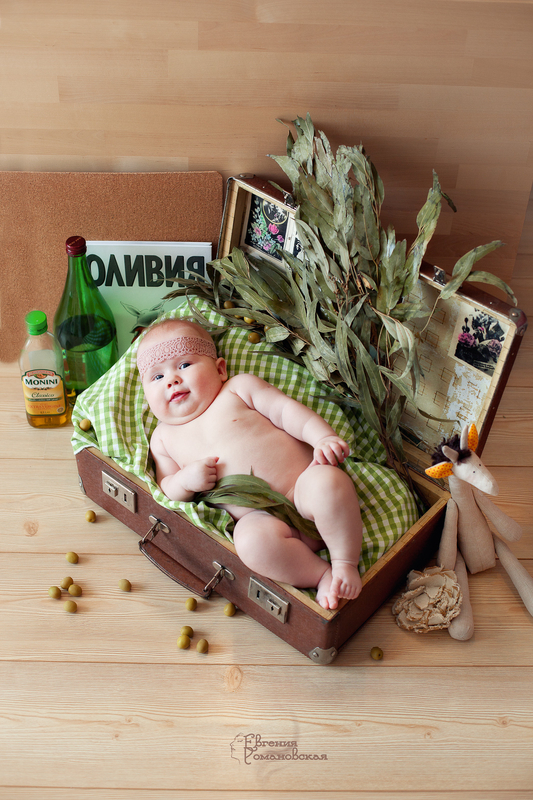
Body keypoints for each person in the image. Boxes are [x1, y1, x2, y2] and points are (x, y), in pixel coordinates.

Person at [137, 317, 363, 610]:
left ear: (220, 369)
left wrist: (322, 438)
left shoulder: (237, 389)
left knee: (328, 483)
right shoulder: (163, 438)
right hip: (262, 521)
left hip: (302, 487)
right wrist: (185, 481)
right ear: (147, 396)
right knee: (249, 543)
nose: (172, 380)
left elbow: (286, 411)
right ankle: (320, 575)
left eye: (184, 365)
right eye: (157, 377)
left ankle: (344, 562)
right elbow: (166, 488)